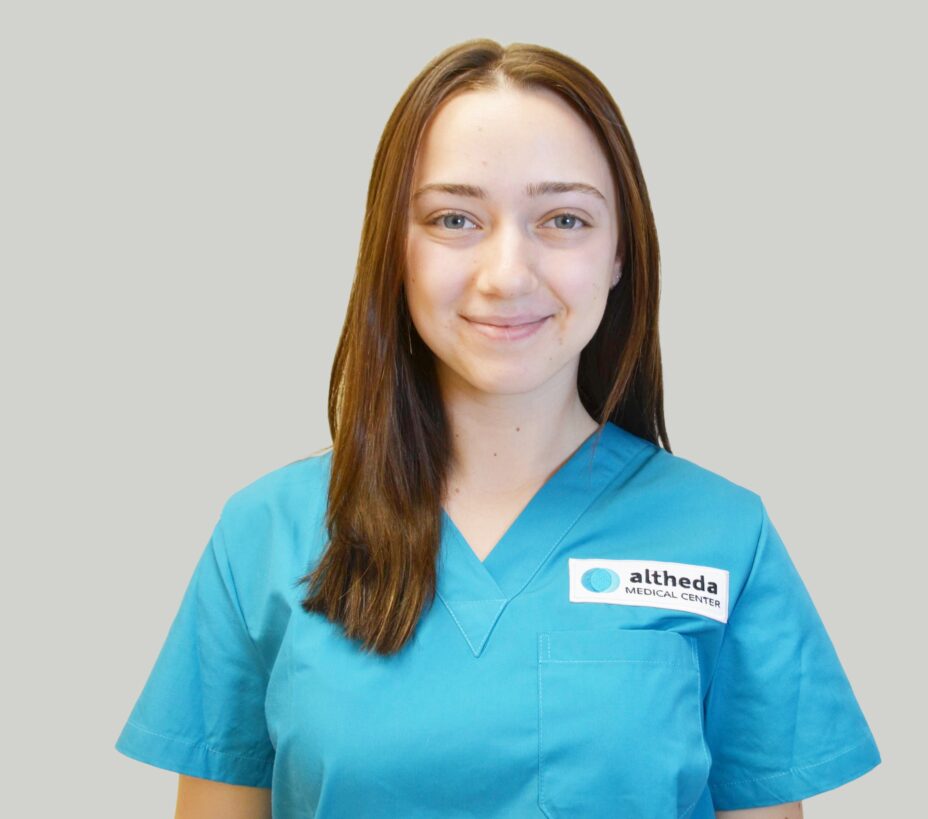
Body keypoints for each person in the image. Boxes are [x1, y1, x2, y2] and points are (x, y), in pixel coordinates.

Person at [114, 39, 881, 819]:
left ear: (620, 252)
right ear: (394, 249)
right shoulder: (264, 537)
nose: (508, 274)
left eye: (564, 218)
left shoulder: (723, 537)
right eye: (454, 218)